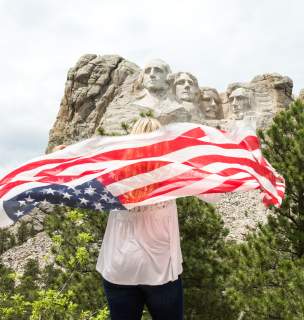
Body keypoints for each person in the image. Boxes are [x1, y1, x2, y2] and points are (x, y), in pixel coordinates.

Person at [96, 117, 184, 320]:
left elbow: (76, 175)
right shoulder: (173, 172)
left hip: (119, 268)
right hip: (161, 270)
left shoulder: (113, 172)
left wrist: (63, 154)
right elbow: (213, 193)